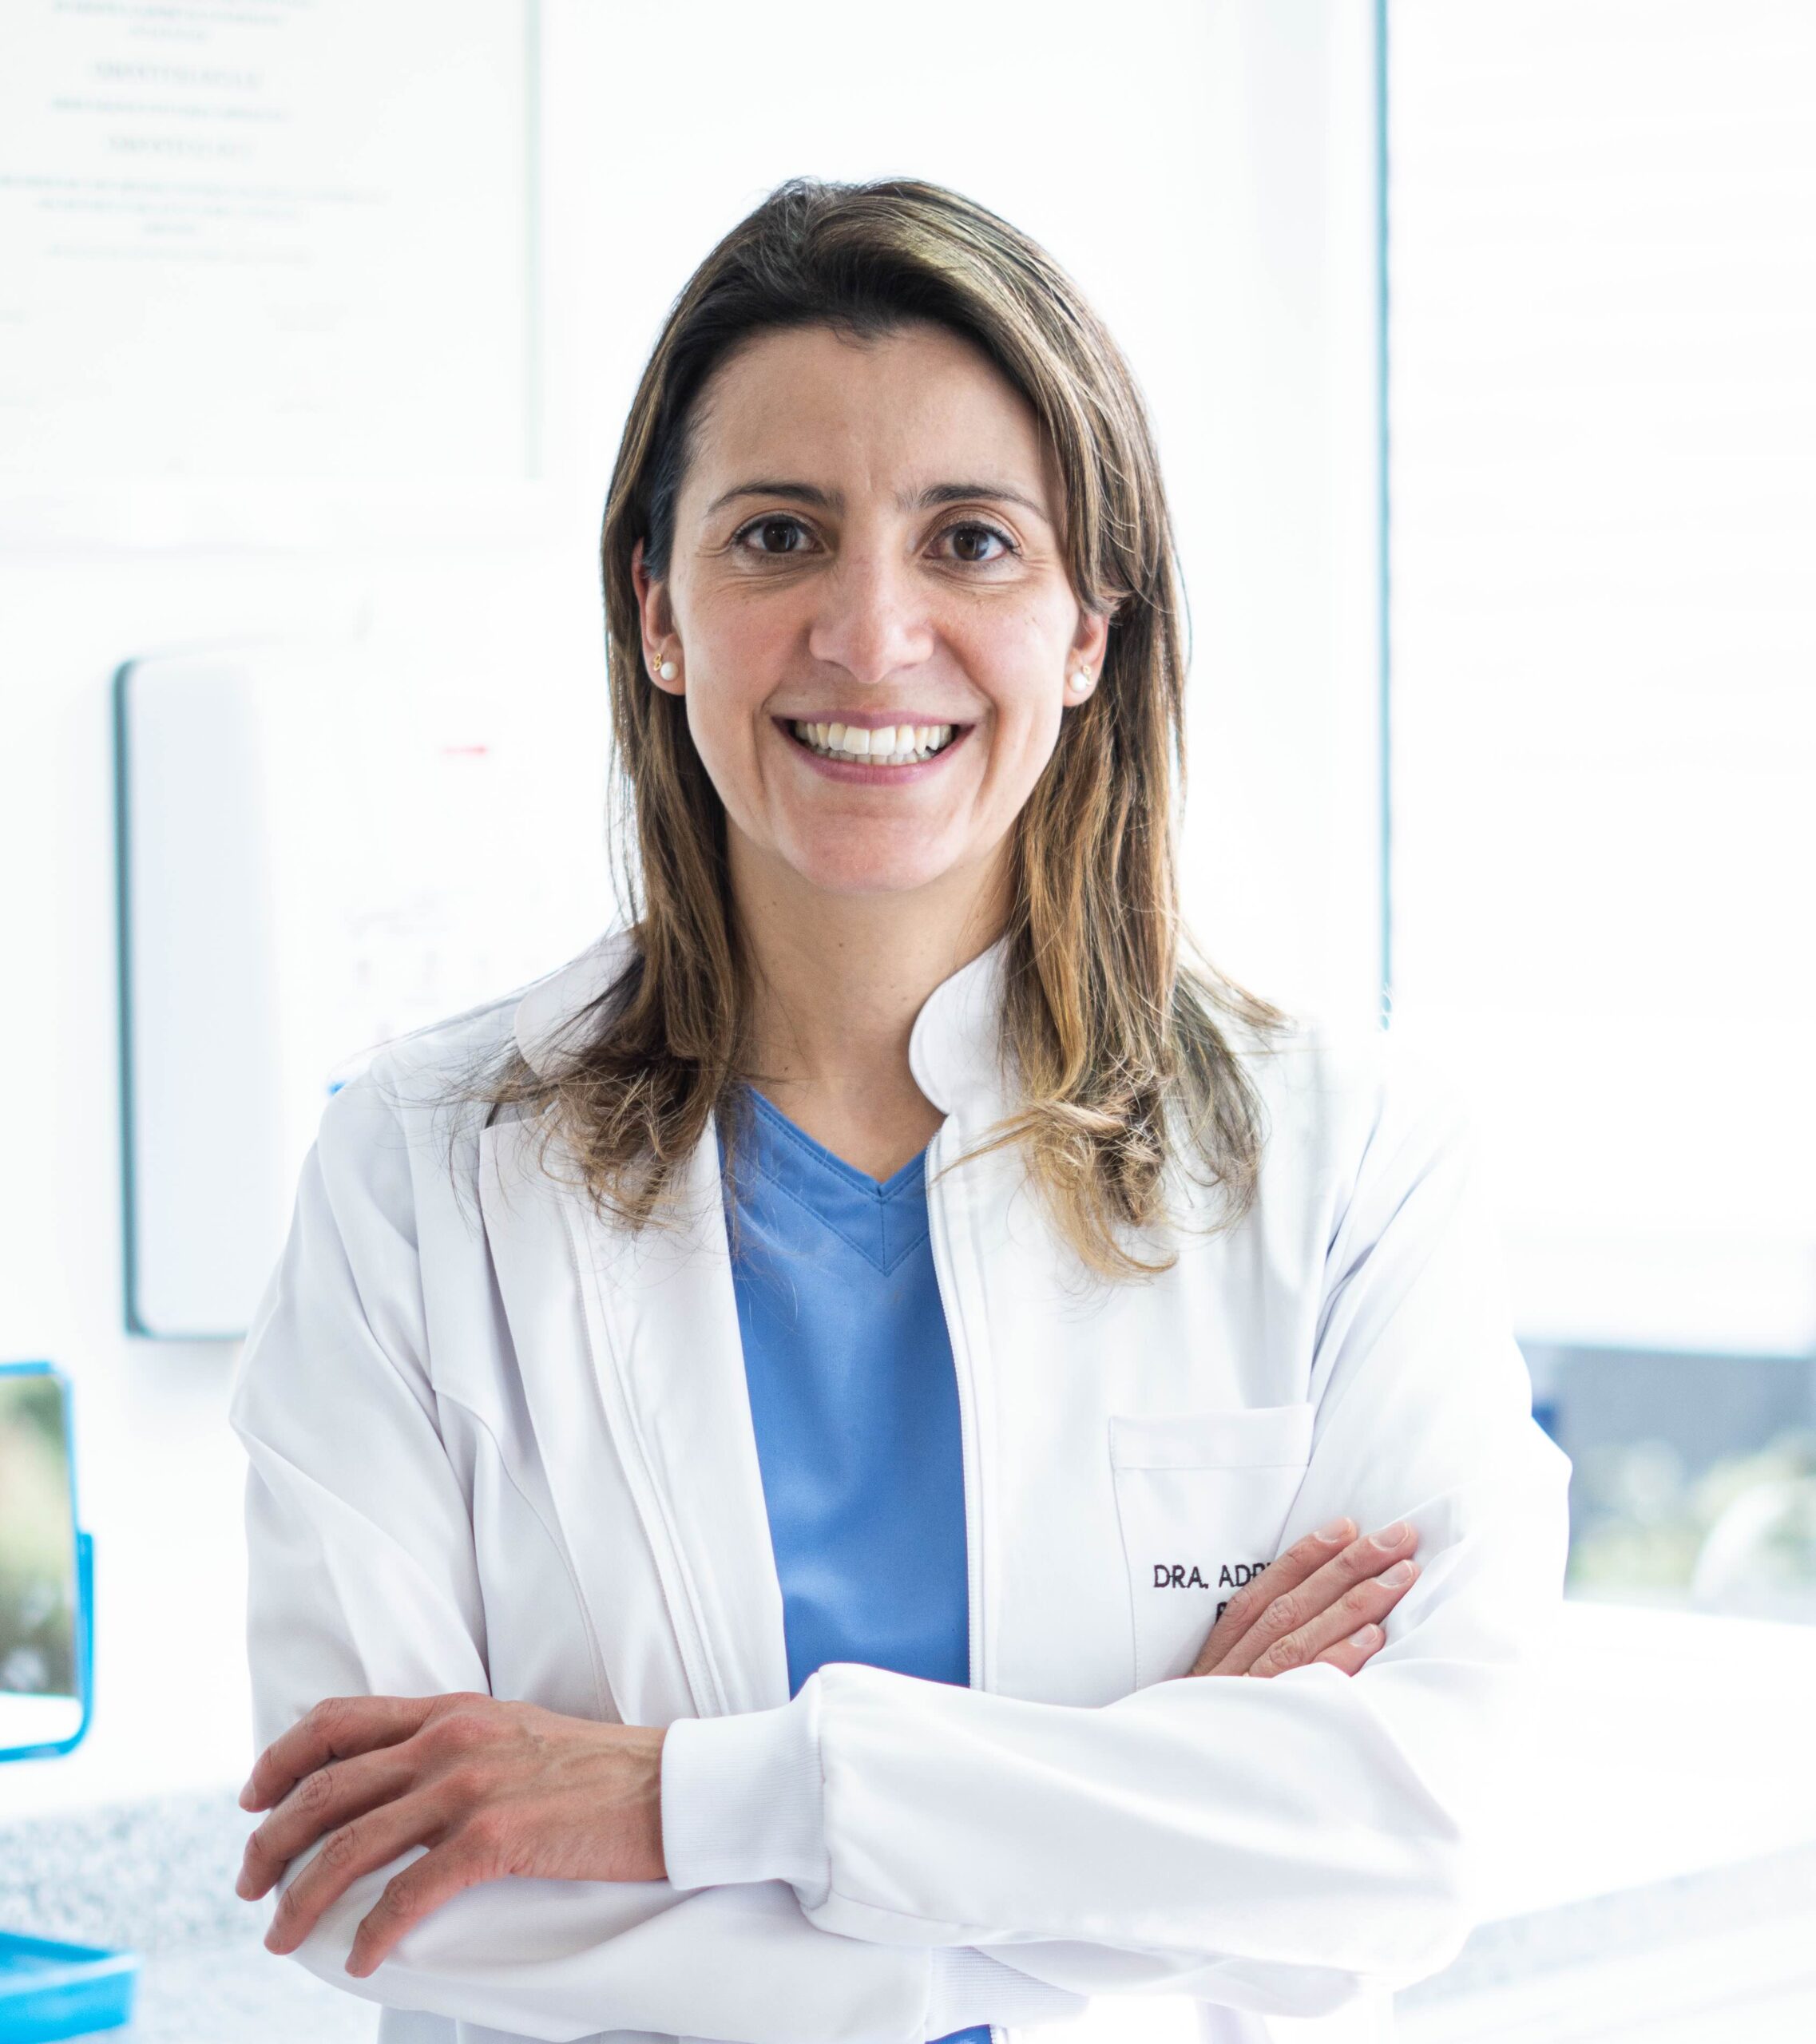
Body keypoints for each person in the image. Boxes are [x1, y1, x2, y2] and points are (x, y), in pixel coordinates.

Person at [227, 176, 1571, 2044]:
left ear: (1089, 627)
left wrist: (670, 1799)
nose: (870, 635)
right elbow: (373, 1872)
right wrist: (1153, 1818)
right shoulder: (420, 1170)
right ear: (658, 609)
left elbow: (1403, 1839)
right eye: (779, 535)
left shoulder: (1345, 1159)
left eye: (973, 542)